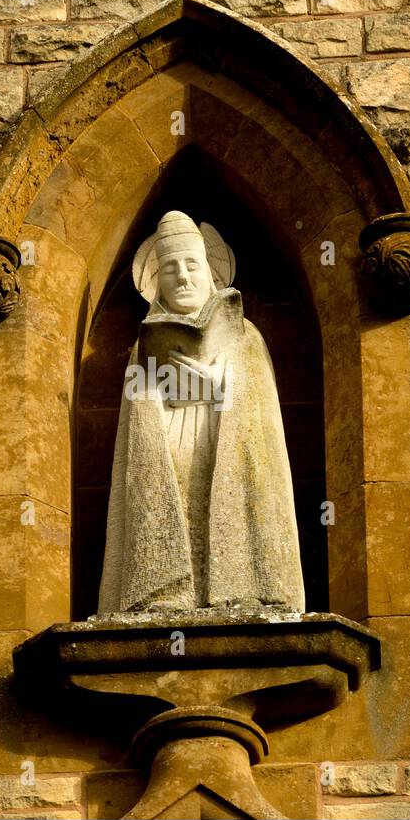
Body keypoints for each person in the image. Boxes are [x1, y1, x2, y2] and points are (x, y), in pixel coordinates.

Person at [97, 211, 306, 614]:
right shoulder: (141, 348)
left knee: (221, 514)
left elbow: (259, 411)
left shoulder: (245, 337)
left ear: (209, 271)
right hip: (170, 447)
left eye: (191, 265)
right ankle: (162, 596)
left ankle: (240, 592)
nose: (183, 277)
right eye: (170, 269)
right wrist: (156, 392)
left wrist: (221, 389)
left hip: (223, 446)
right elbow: (136, 426)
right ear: (157, 280)